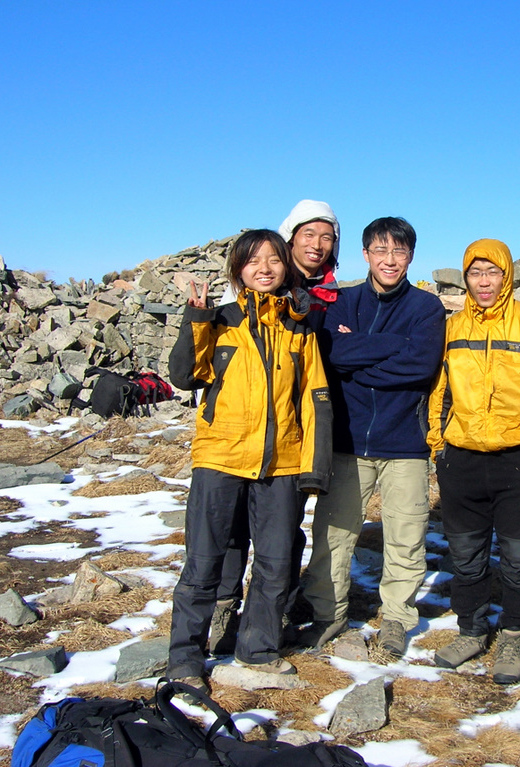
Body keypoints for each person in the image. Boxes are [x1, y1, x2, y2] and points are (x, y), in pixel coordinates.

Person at [166, 229, 332, 691]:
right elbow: (185, 375)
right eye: (253, 260)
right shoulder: (220, 319)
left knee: (275, 563)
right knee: (204, 562)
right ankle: (184, 659)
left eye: (274, 260)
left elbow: (315, 398)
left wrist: (314, 468)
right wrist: (196, 318)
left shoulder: (299, 329)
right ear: (238, 269)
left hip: (282, 463)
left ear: (286, 267)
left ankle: (257, 651)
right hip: (220, 456)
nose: (264, 268)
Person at [300, 216, 446, 655]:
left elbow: (421, 366)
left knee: (406, 536)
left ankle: (397, 619)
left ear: (411, 256)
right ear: (365, 254)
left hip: (406, 444)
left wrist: (361, 350)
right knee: (334, 535)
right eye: (380, 250)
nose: (390, 259)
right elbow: (332, 354)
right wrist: (394, 343)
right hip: (348, 441)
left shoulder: (426, 307)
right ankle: (327, 613)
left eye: (399, 251)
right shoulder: (342, 302)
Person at [208, 201, 340, 655]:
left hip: (296, 433)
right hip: (244, 433)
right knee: (233, 531)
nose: (317, 245)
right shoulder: (258, 289)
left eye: (327, 237)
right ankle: (225, 607)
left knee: (283, 532)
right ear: (290, 239)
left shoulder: (334, 296)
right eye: (308, 235)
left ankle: (272, 611)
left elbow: (333, 360)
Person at [426, 239, 520, 684]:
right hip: (462, 458)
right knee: (466, 556)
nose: (484, 281)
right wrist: (439, 446)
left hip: (519, 459)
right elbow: (439, 389)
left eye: (492, 272)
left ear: (506, 276)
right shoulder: (453, 326)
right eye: (475, 273)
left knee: (518, 558)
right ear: (465, 278)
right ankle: (472, 631)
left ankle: (514, 635)